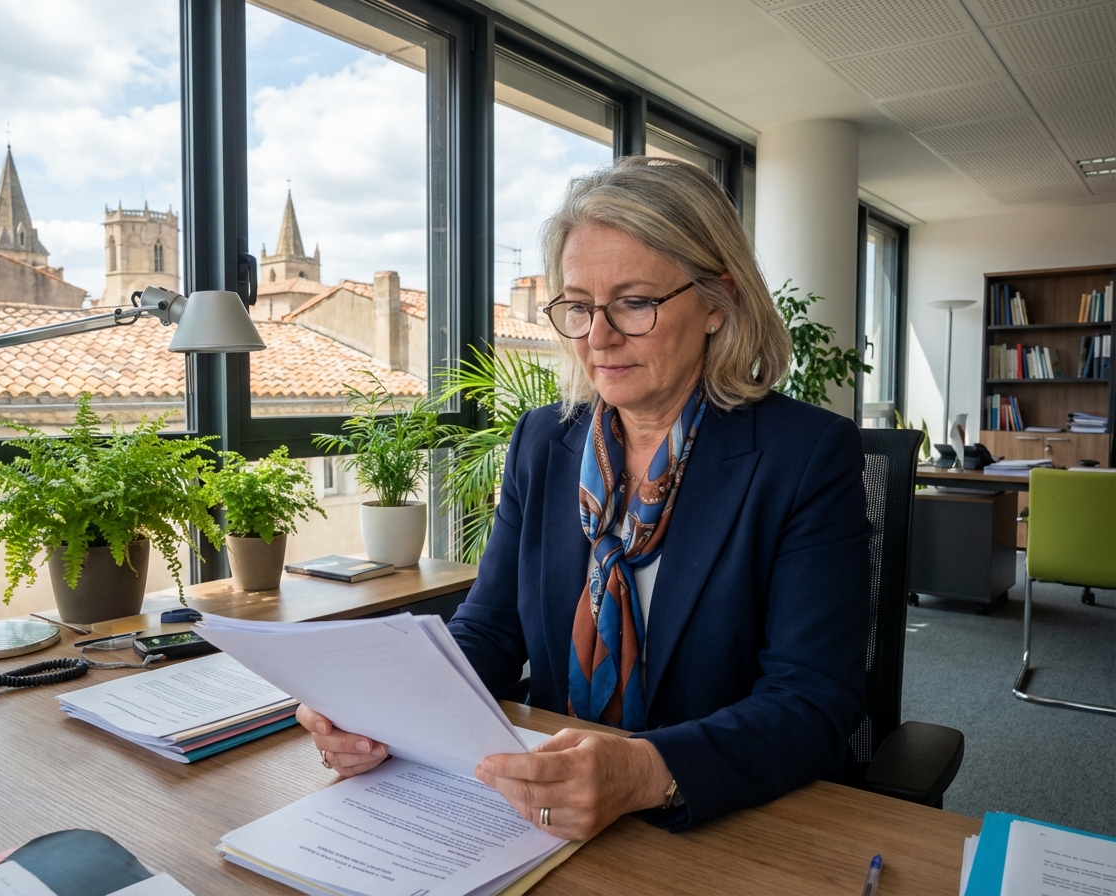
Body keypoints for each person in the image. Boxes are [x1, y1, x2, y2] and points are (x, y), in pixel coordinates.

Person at [297, 155, 870, 841]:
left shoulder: (804, 457)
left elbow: (813, 701)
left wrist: (645, 770)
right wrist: (388, 709)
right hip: (540, 806)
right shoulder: (546, 441)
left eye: (634, 302)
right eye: (577, 306)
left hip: (717, 822)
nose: (598, 338)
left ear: (718, 303)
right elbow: (491, 631)